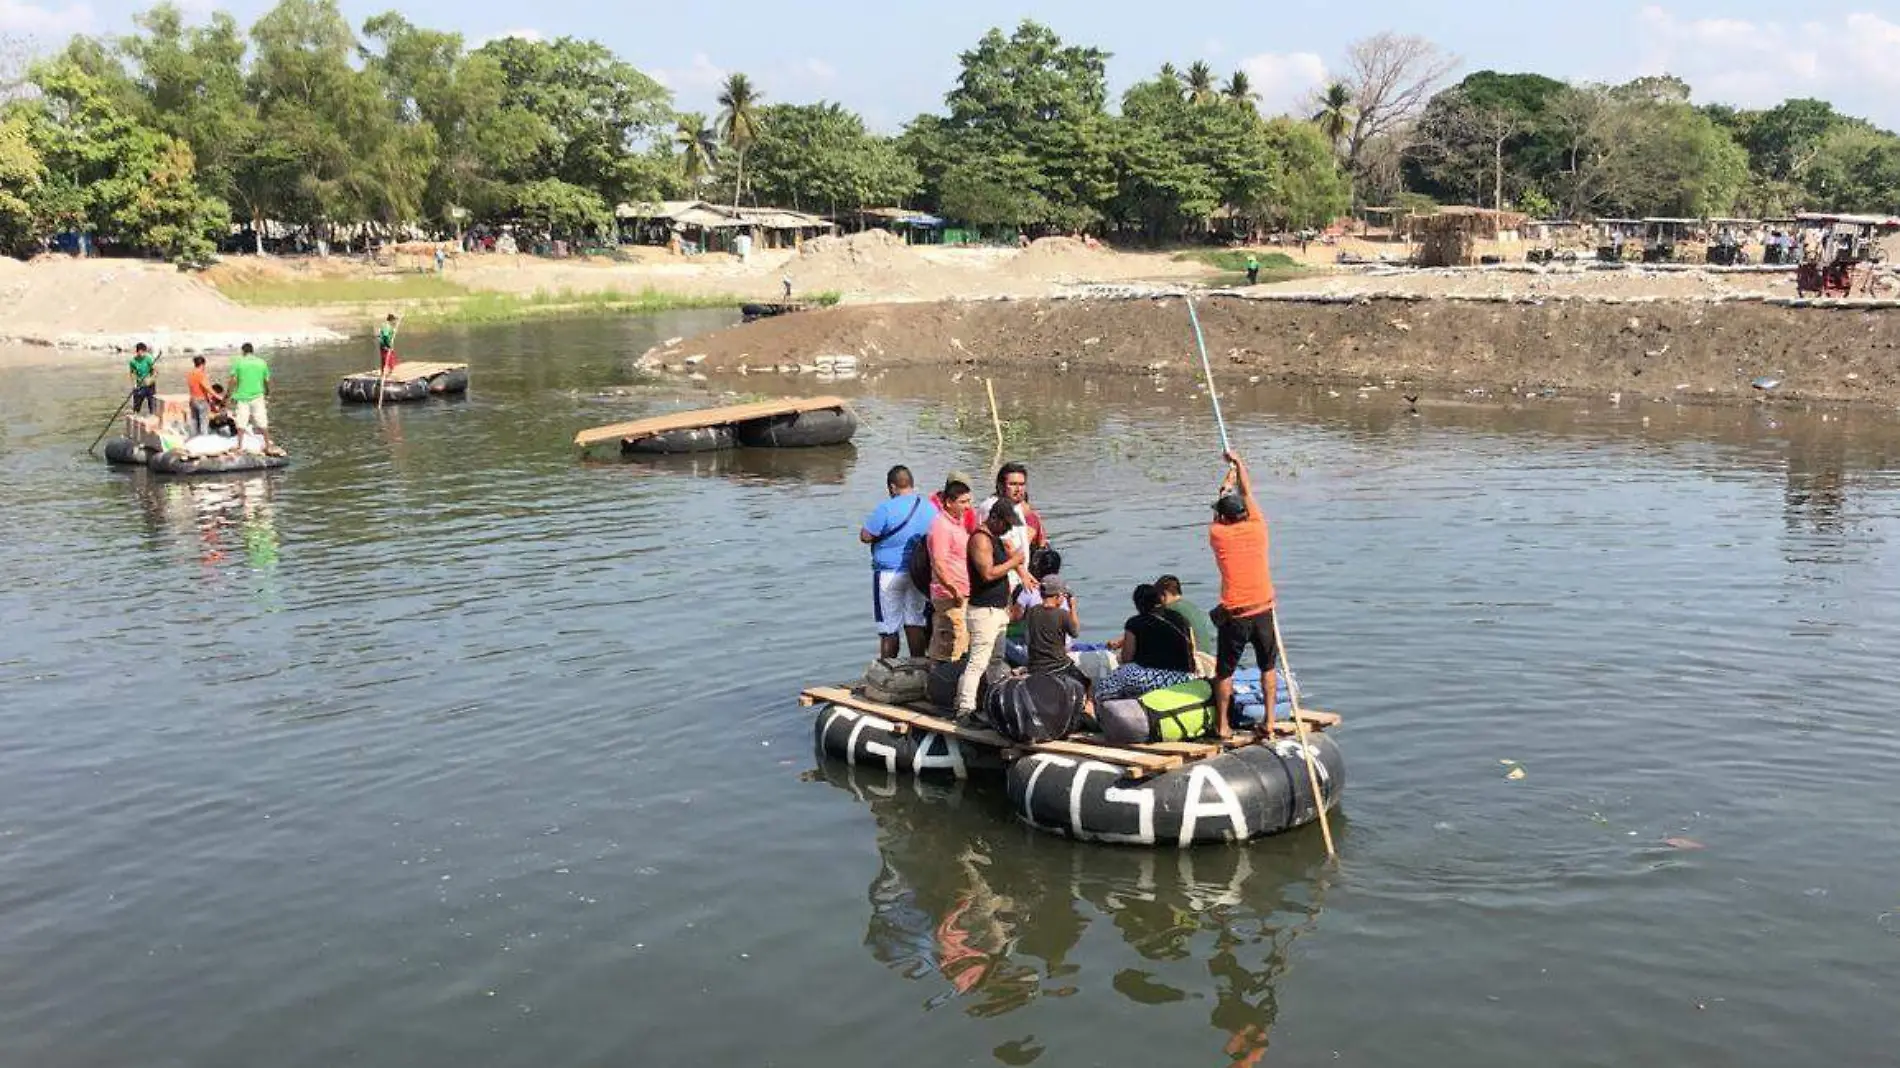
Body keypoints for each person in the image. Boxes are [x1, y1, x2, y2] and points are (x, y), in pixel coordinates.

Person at [1208, 450, 1277, 739]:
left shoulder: (1218, 535)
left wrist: (1224, 486)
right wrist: (1239, 464)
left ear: (1224, 517)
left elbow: (1218, 513)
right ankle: (1270, 721)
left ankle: (1223, 725)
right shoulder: (1259, 527)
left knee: (1224, 672)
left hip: (1236, 614)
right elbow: (1248, 492)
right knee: (1268, 666)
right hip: (1263, 609)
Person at [860, 465, 938, 659]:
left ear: (892, 487)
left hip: (889, 573)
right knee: (915, 621)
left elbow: (866, 536)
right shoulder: (929, 507)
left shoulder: (886, 508)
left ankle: (888, 672)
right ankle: (919, 667)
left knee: (889, 627)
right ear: (911, 483)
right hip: (918, 573)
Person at [957, 500, 1025, 720]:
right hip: (983, 611)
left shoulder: (995, 539)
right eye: (1006, 524)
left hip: (998, 611)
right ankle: (965, 709)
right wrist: (1014, 561)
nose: (1009, 529)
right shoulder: (980, 539)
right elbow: (987, 573)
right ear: (994, 518)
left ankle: (995, 704)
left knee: (996, 660)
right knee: (978, 662)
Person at [1096, 584, 1198, 701]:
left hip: (1160, 678)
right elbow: (1192, 648)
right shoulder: (1180, 618)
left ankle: (1095, 709)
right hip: (1187, 677)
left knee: (1109, 683)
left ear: (1138, 604)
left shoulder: (1135, 623)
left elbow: (1127, 658)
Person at [927, 480, 976, 665]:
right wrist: (954, 590)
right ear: (949, 502)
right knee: (951, 643)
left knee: (958, 640)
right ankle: (943, 682)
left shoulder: (957, 523)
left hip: (961, 591)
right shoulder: (941, 526)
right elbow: (939, 564)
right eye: (963, 502)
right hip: (950, 594)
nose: (968, 506)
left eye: (969, 501)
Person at [979, 462, 1048, 593]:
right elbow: (1006, 544)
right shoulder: (993, 506)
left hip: (1015, 576)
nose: (1018, 489)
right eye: (1013, 484)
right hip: (1002, 579)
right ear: (1000, 485)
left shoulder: (1015, 506)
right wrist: (1024, 575)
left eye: (1022, 484)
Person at [1022, 575, 1083, 681]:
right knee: (1087, 683)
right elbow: (1075, 632)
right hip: (1058, 666)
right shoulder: (1062, 614)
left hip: (1035, 665)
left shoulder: (1032, 611)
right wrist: (1072, 607)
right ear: (1058, 596)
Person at [226, 343, 278, 454]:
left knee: (241, 422)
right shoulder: (261, 362)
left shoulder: (239, 362)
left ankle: (239, 446)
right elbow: (266, 380)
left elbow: (233, 380)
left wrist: (228, 394)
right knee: (262, 421)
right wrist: (267, 392)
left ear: (243, 351)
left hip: (242, 396)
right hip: (258, 396)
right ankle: (268, 445)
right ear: (252, 351)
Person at [1155, 574, 1218, 666]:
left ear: (1165, 593)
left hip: (1193, 661)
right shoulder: (1190, 606)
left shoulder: (1171, 609)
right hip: (1206, 657)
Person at [185, 355, 214, 435]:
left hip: (193, 400)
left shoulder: (190, 374)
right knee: (204, 423)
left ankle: (194, 439)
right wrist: (218, 396)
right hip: (202, 400)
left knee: (194, 421)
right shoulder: (201, 374)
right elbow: (207, 388)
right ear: (203, 364)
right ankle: (203, 441)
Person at [127, 343, 157, 416]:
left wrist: (150, 379)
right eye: (140, 352)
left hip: (150, 385)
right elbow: (132, 373)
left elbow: (155, 372)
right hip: (139, 385)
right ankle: (136, 417)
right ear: (137, 351)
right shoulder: (133, 361)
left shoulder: (149, 359)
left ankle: (152, 416)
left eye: (144, 352)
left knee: (152, 406)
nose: (142, 354)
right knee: (136, 407)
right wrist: (134, 383)